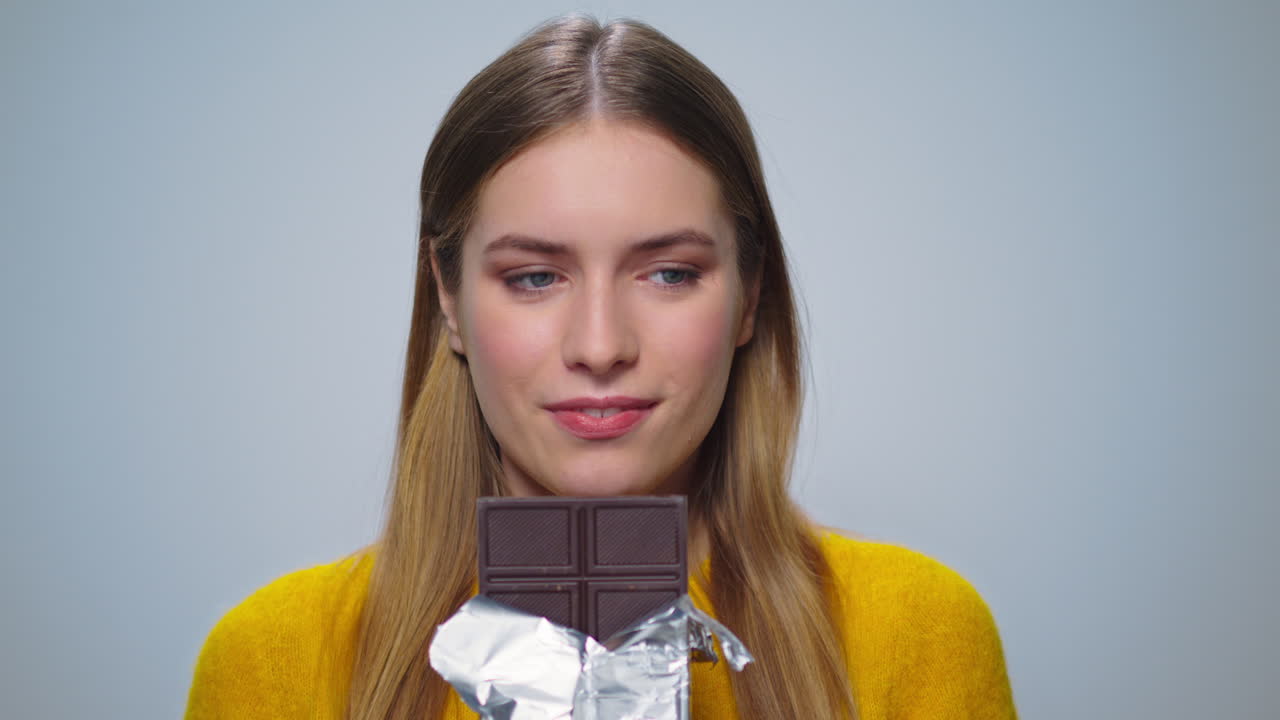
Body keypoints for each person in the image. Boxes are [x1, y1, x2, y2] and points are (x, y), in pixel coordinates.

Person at [184, 14, 1017, 720]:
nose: (600, 344)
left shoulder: (913, 635)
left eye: (669, 273)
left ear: (750, 293)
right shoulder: (275, 662)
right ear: (447, 296)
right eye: (535, 277)